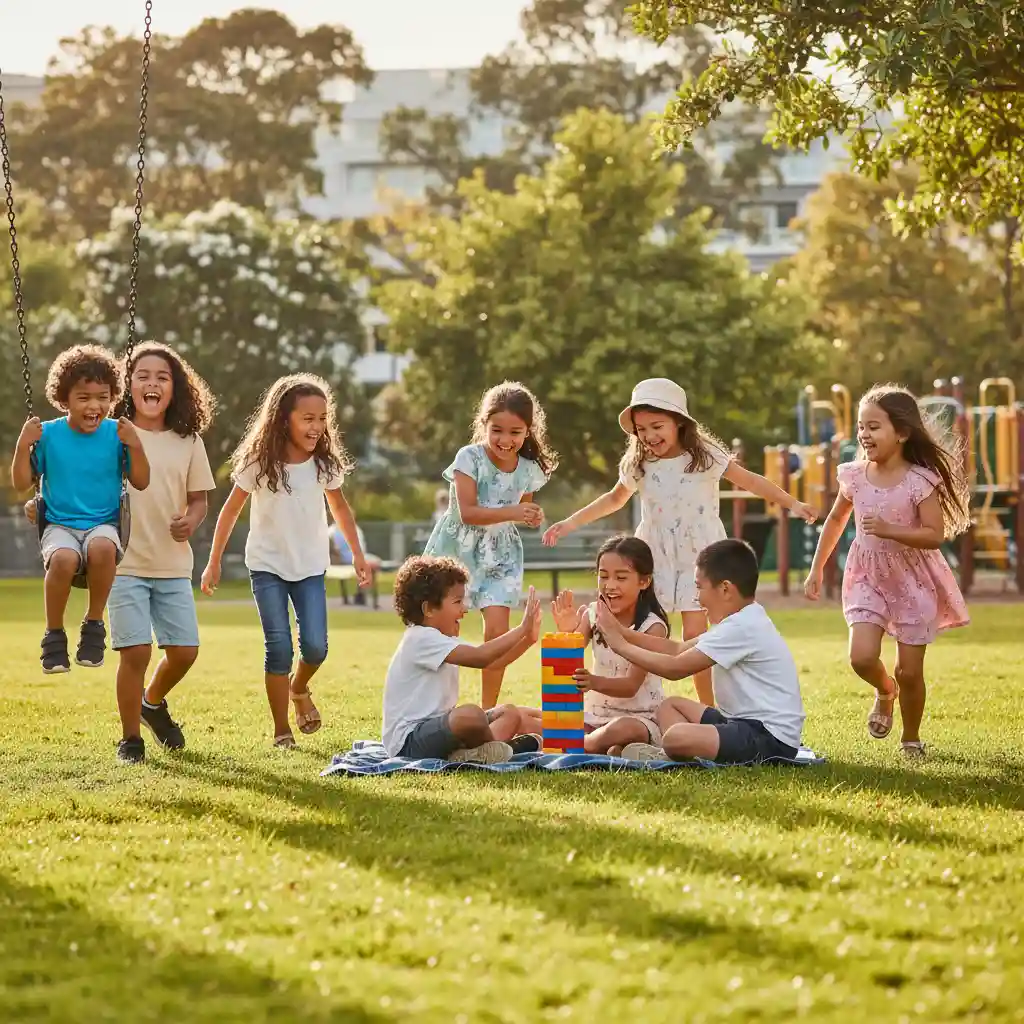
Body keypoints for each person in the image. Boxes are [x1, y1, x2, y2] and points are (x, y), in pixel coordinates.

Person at [543, 378, 816, 708]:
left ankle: (709, 709)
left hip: (698, 555)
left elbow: (751, 481)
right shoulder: (639, 463)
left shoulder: (704, 456)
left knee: (695, 635)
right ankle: (633, 700)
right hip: (654, 552)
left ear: (679, 423)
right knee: (640, 624)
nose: (649, 435)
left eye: (657, 426)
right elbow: (614, 499)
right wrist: (570, 522)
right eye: (641, 429)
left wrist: (793, 504)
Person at [201, 374, 370, 748]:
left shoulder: (324, 464)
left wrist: (357, 554)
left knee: (316, 647)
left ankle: (299, 687)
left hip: (309, 566)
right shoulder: (259, 462)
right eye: (307, 418)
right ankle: (281, 730)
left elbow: (340, 509)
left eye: (322, 418)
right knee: (278, 648)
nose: (317, 426)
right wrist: (214, 561)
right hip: (267, 566)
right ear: (284, 418)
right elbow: (230, 511)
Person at [805, 385, 970, 759]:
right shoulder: (854, 476)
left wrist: (890, 529)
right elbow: (835, 520)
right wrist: (817, 568)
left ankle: (911, 739)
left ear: (902, 433)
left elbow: (934, 534)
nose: (864, 434)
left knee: (909, 672)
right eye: (861, 427)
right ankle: (885, 690)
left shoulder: (919, 480)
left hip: (913, 580)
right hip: (867, 576)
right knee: (861, 657)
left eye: (874, 426)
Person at [593, 539, 806, 766]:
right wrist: (621, 632)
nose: (696, 597)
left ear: (725, 589)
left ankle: (674, 751)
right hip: (739, 724)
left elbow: (675, 669)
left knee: (675, 737)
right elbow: (677, 649)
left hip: (768, 737)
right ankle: (675, 752)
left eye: (699, 587)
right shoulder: (740, 620)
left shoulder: (742, 628)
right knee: (669, 706)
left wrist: (620, 645)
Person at [107, 342, 217, 764]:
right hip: (123, 563)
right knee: (135, 651)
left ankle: (151, 703)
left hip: (172, 563)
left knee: (184, 652)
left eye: (162, 377)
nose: (152, 383)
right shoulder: (113, 435)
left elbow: (199, 500)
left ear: (176, 389)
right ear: (128, 385)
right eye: (143, 376)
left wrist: (191, 520)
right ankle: (130, 739)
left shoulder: (188, 441)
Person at [11, 345, 150, 674]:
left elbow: (141, 481)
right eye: (83, 397)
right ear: (64, 399)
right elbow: (21, 483)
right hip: (59, 525)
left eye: (103, 397)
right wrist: (23, 444)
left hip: (104, 523)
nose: (94, 406)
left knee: (102, 548)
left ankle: (93, 625)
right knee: (63, 559)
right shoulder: (48, 434)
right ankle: (54, 635)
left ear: (113, 397)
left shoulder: (117, 433)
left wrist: (135, 444)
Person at [423, 381, 556, 709]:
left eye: (515, 432)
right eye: (497, 430)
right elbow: (468, 513)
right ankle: (438, 707)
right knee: (443, 632)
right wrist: (515, 511)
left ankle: (488, 712)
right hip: (457, 551)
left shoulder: (529, 469)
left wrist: (530, 515)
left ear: (528, 431)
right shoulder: (469, 458)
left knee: (497, 632)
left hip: (501, 555)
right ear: (484, 424)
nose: (505, 440)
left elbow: (520, 508)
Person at [382, 556, 543, 763]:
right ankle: (490, 750)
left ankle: (475, 754)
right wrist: (521, 629)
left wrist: (528, 639)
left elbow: (493, 662)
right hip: (409, 742)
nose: (464, 609)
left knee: (509, 713)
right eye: (457, 602)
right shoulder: (420, 638)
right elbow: (481, 657)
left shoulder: (442, 639)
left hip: (439, 732)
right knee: (470, 716)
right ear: (429, 609)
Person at [541, 535, 670, 754]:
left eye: (621, 578)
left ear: (644, 581)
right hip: (595, 714)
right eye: (603, 576)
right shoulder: (593, 614)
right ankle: (609, 748)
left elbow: (630, 686)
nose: (610, 585)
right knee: (531, 716)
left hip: (639, 717)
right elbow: (567, 658)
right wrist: (566, 631)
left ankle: (581, 744)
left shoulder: (652, 627)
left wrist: (592, 682)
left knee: (623, 729)